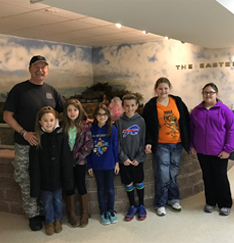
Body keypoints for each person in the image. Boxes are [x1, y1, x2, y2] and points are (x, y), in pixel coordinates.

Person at [3, 55, 65, 231]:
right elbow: (7, 116)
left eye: (43, 66)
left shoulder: (51, 91)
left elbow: (66, 110)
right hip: (25, 144)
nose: (40, 69)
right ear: (30, 69)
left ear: (47, 70)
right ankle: (33, 214)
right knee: (26, 179)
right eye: (36, 66)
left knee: (45, 177)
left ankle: (47, 212)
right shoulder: (19, 90)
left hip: (46, 145)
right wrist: (24, 133)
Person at [142, 77, 190, 216]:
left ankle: (173, 199)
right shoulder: (151, 106)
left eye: (166, 88)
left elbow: (185, 120)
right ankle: (160, 203)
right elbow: (148, 127)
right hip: (162, 144)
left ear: (170, 88)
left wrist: (188, 141)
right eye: (160, 88)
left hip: (177, 144)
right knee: (163, 175)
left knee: (173, 174)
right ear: (156, 89)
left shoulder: (177, 101)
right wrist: (148, 142)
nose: (163, 91)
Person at [190, 83, 234, 216]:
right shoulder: (196, 111)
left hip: (220, 152)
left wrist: (228, 149)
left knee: (220, 177)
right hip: (202, 152)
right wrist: (191, 145)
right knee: (207, 177)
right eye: (205, 92)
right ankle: (210, 202)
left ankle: (225, 203)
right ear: (202, 94)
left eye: (211, 92)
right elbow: (191, 129)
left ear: (217, 94)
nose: (208, 95)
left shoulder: (224, 110)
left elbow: (232, 130)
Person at [29, 106, 74, 236]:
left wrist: (66, 179)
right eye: (45, 120)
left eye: (51, 120)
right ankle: (49, 221)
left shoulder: (61, 136)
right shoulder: (37, 139)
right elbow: (34, 164)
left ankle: (57, 220)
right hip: (44, 179)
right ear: (40, 122)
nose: (49, 123)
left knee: (58, 200)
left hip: (58, 177)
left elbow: (66, 159)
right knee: (47, 201)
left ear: (55, 121)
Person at [114, 94, 147, 221]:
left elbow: (142, 141)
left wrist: (138, 158)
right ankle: (132, 205)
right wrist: (123, 158)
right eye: (127, 106)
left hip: (137, 160)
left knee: (139, 181)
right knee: (128, 182)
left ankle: (142, 205)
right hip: (125, 161)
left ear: (136, 106)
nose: (130, 108)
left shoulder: (141, 121)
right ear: (122, 107)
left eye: (132, 105)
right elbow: (116, 143)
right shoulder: (118, 122)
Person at [87, 104, 119, 225]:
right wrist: (89, 165)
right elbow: (89, 149)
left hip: (110, 164)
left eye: (104, 114)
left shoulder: (113, 129)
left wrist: (117, 163)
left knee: (110, 189)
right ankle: (103, 212)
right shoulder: (91, 130)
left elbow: (115, 147)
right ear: (95, 116)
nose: (102, 117)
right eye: (99, 114)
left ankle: (111, 210)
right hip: (97, 165)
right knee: (101, 189)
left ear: (108, 116)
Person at [63, 99, 93, 228]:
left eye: (75, 110)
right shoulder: (62, 126)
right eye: (69, 110)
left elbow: (89, 144)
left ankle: (85, 213)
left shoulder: (84, 126)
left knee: (81, 184)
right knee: (69, 186)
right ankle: (72, 213)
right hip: (66, 162)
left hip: (80, 161)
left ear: (79, 111)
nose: (72, 112)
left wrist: (79, 156)